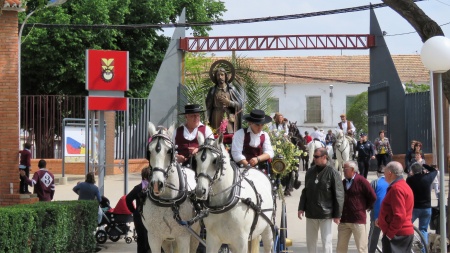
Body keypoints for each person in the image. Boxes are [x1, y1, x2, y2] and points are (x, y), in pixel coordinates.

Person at [298, 147, 345, 253]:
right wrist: (301, 208)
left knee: (326, 242)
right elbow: (305, 191)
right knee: (310, 242)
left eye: (316, 157)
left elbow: (339, 195)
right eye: (314, 156)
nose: (314, 159)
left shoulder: (333, 173)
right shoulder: (310, 172)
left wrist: (337, 214)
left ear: (324, 157)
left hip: (326, 213)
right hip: (311, 212)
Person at [336, 160, 376, 253]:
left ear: (352, 169)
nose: (343, 171)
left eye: (345, 169)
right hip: (344, 220)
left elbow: (372, 196)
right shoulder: (343, 182)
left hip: (358, 220)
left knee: (362, 248)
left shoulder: (361, 181)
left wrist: (363, 207)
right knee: (340, 248)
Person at [376, 161, 414, 253]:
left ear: (390, 173)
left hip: (398, 235)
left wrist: (389, 234)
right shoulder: (403, 185)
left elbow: (399, 215)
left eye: (384, 172)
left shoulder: (397, 188)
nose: (383, 174)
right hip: (401, 233)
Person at [406, 162, 438, 246]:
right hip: (426, 208)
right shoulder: (427, 178)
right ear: (421, 170)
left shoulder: (410, 180)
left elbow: (407, 172)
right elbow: (434, 171)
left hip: (414, 208)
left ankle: (407, 246)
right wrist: (424, 164)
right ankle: (424, 250)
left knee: (407, 226)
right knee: (423, 230)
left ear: (412, 171)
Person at [173, 104, 214, 168]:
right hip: (180, 170)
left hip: (200, 169)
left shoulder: (206, 130)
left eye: (198, 115)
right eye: (193, 116)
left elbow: (212, 148)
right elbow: (169, 150)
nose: (196, 118)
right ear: (186, 116)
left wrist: (198, 149)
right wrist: (176, 157)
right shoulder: (177, 131)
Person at [205, 67, 243, 133]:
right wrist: (207, 118)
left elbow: (240, 104)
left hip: (228, 117)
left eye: (222, 75)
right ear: (216, 77)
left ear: (225, 76)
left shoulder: (231, 89)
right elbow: (208, 107)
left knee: (229, 135)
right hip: (216, 117)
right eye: (218, 75)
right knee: (217, 137)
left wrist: (229, 102)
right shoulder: (212, 90)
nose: (220, 77)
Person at [126, 167, 151, 253]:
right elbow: (128, 199)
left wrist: (134, 210)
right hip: (145, 217)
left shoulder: (138, 188)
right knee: (146, 238)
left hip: (139, 216)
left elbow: (128, 199)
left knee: (141, 239)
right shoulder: (151, 189)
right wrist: (134, 211)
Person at [368, 166, 389, 253]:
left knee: (373, 236)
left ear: (377, 173)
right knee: (388, 236)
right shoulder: (392, 182)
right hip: (389, 215)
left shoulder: (375, 182)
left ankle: (370, 251)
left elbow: (370, 197)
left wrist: (368, 207)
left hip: (377, 214)